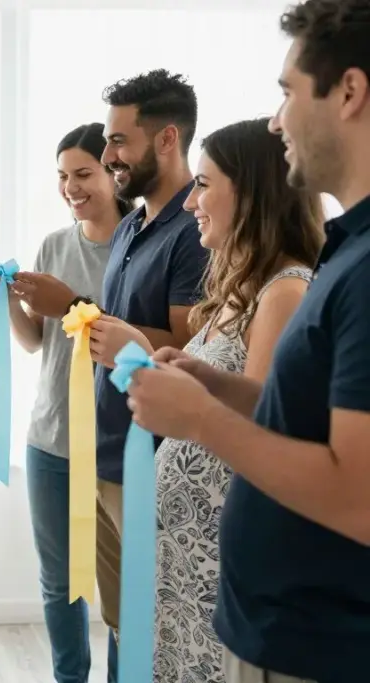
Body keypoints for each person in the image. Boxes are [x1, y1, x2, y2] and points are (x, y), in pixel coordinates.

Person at [126, 2, 370, 682]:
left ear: (349, 93)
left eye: (287, 92)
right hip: (273, 632)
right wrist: (210, 384)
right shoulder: (347, 252)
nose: (275, 120)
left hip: (313, 646)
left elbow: (359, 496)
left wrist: (198, 418)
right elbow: (296, 413)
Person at [11, 70, 208, 671]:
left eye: (119, 141)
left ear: (167, 139)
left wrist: (69, 307)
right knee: (118, 613)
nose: (108, 154)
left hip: (147, 458)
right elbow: (110, 329)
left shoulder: (191, 233)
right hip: (97, 451)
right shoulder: (131, 227)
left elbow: (187, 344)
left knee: (149, 624)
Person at [146, 118, 323, 683]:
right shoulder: (238, 289)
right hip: (187, 560)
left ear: (250, 193)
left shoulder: (285, 293)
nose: (191, 201)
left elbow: (273, 431)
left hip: (220, 567)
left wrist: (194, 404)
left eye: (203, 183)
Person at [0, 123, 132, 683]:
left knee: (121, 594)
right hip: (50, 440)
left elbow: (122, 339)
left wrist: (72, 303)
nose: (72, 188)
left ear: (114, 175)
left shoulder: (133, 247)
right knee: (60, 584)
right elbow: (35, 342)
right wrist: (7, 304)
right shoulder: (53, 245)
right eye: (63, 177)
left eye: (84, 174)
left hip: (113, 445)